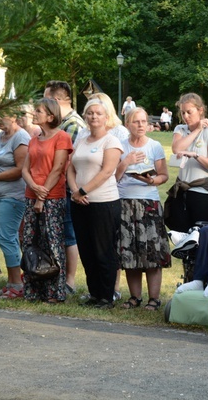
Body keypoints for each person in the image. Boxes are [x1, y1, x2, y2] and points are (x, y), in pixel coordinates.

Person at [67, 98, 123, 310]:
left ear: (106, 117)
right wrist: (74, 191)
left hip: (103, 203)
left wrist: (83, 190)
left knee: (103, 250)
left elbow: (108, 171)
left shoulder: (111, 142)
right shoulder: (81, 140)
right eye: (90, 113)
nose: (93, 117)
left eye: (98, 113)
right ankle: (94, 293)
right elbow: (70, 168)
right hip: (79, 203)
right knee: (86, 249)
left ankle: (106, 297)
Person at [114, 107, 171, 311]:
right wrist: (126, 162)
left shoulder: (154, 146)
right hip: (125, 203)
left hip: (148, 203)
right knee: (130, 253)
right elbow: (113, 177)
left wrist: (151, 180)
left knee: (152, 252)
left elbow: (164, 175)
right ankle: (134, 297)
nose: (140, 125)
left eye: (143, 121)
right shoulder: (119, 146)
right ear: (127, 124)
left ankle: (154, 299)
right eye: (136, 121)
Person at [21, 98, 73, 303]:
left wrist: (41, 196)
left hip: (52, 198)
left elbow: (58, 168)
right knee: (30, 243)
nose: (34, 114)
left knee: (52, 244)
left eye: (38, 111)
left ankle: (55, 292)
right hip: (31, 195)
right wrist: (33, 187)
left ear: (51, 116)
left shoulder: (62, 137)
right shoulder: (34, 139)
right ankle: (34, 289)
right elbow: (25, 168)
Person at [0, 113, 30, 299]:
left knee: (7, 238)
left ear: (15, 117)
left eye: (3, 116)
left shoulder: (21, 137)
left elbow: (20, 169)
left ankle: (17, 284)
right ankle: (11, 283)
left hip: (13, 195)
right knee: (5, 238)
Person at [44, 80, 86, 293]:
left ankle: (69, 281)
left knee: (68, 233)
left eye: (46, 99)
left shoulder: (73, 125)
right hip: (52, 186)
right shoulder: (59, 123)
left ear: (56, 100)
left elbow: (65, 161)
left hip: (66, 187)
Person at [166, 93, 208, 232]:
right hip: (182, 191)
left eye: (189, 112)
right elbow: (176, 148)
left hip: (201, 191)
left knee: (201, 236)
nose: (186, 116)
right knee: (182, 235)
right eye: (183, 113)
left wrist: (195, 155)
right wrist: (197, 129)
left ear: (200, 111)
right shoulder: (180, 129)